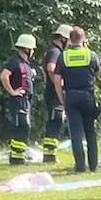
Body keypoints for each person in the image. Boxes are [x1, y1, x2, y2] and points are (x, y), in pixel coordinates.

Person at [53, 26, 101, 173]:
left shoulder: (63, 56)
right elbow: (97, 73)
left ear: (70, 39)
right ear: (83, 38)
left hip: (71, 96)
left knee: (76, 133)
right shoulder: (90, 55)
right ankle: (93, 166)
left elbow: (56, 80)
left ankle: (80, 166)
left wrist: (62, 98)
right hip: (88, 95)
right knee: (90, 132)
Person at [1, 34, 37, 165]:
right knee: (21, 127)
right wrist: (12, 91)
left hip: (26, 100)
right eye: (32, 49)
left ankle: (20, 156)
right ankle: (16, 158)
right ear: (27, 49)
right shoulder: (15, 62)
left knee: (25, 127)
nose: (33, 52)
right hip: (19, 100)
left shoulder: (25, 64)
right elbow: (4, 76)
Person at [42, 24, 73, 163]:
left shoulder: (53, 50)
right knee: (56, 121)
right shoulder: (55, 51)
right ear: (63, 38)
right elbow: (51, 67)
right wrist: (57, 82)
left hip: (52, 92)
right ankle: (49, 156)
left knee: (56, 121)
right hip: (54, 93)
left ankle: (50, 154)